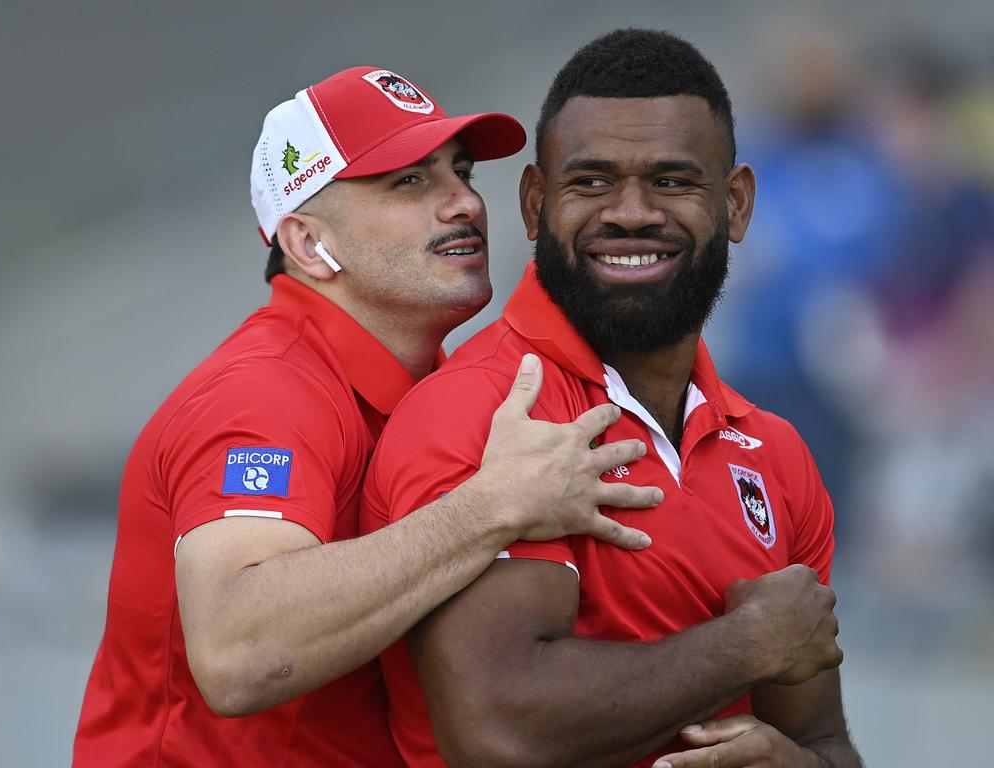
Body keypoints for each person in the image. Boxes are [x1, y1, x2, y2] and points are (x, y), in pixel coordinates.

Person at [72, 65, 663, 767]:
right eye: (407, 182)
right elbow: (239, 649)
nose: (464, 204)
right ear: (306, 245)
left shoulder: (435, 389)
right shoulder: (266, 390)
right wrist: (490, 509)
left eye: (462, 172)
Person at [362, 30, 863, 767]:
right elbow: (501, 732)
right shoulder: (478, 414)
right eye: (591, 182)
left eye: (672, 180)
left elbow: (824, 741)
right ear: (536, 205)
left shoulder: (776, 454)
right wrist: (744, 645)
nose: (631, 212)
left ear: (736, 205)